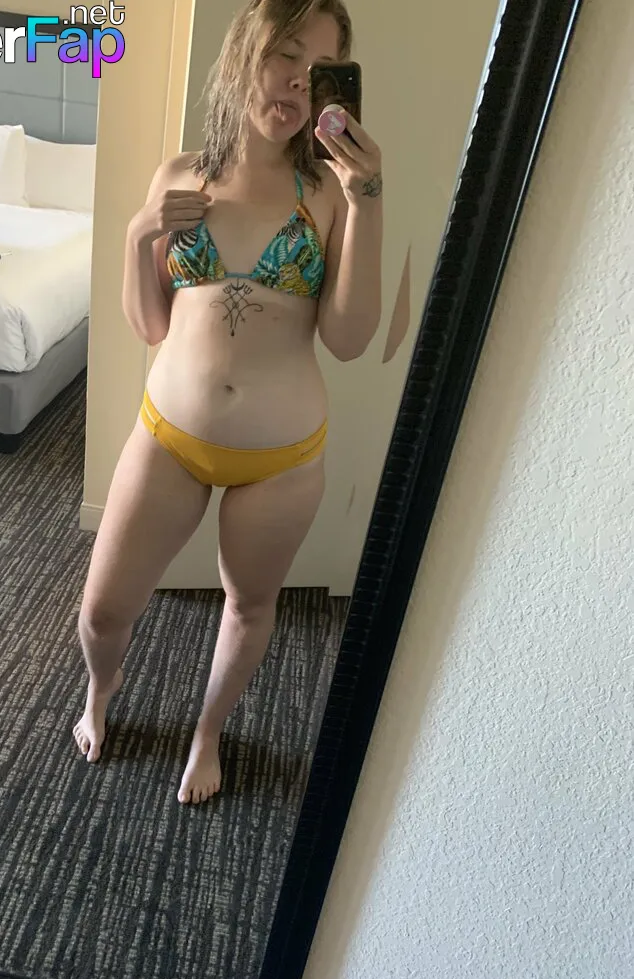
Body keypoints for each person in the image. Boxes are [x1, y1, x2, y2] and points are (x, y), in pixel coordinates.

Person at [72, 0, 383, 805]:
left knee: (248, 607)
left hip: (282, 461)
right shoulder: (179, 174)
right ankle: (100, 690)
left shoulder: (331, 195)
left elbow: (349, 339)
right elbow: (150, 324)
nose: (298, 81)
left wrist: (368, 200)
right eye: (285, 54)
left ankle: (208, 733)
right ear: (245, 53)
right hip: (169, 438)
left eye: (319, 70)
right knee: (102, 612)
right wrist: (140, 234)